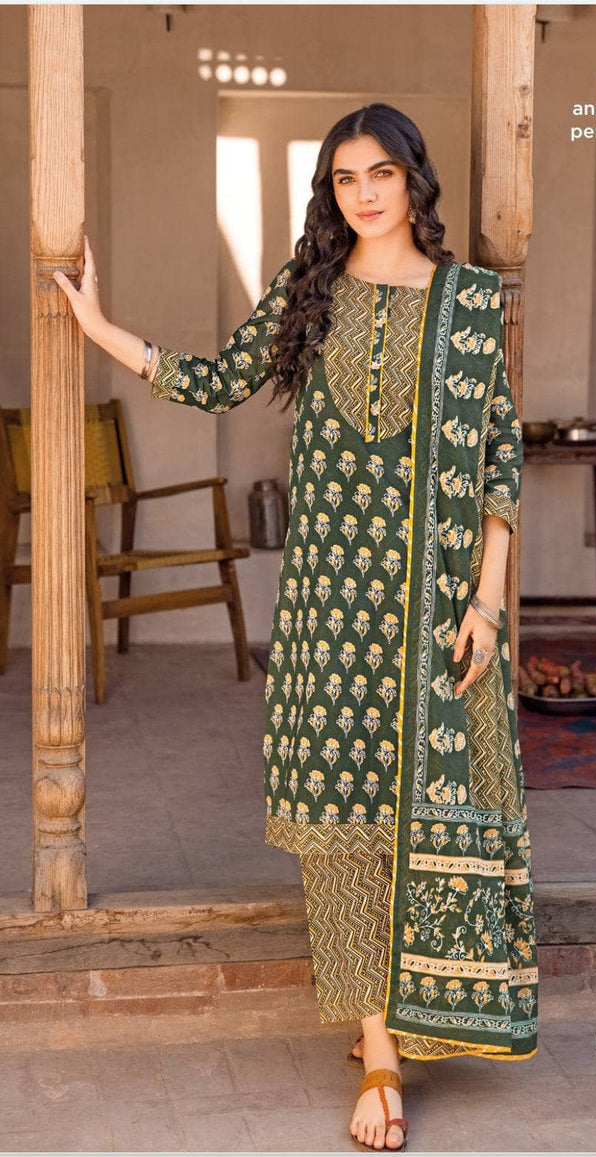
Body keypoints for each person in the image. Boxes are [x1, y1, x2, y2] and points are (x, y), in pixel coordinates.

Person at [55, 102, 538, 1153]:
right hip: (329, 605)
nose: (363, 194)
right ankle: (378, 1047)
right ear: (330, 193)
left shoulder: (467, 301)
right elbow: (218, 379)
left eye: (381, 173)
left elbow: (498, 460)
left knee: (425, 806)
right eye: (344, 179)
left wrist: (488, 602)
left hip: (434, 599)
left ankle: (425, 1008)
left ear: (414, 179)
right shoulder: (308, 291)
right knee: (340, 821)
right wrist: (101, 329)